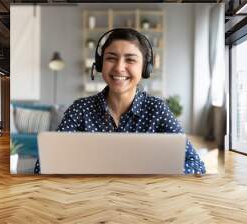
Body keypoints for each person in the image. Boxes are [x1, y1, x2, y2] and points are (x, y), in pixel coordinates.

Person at [36, 28, 205, 175]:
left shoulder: (157, 109)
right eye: (111, 58)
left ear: (145, 68)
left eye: (130, 60)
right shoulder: (80, 109)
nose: (119, 67)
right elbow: (44, 164)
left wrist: (152, 178)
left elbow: (195, 164)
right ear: (101, 64)